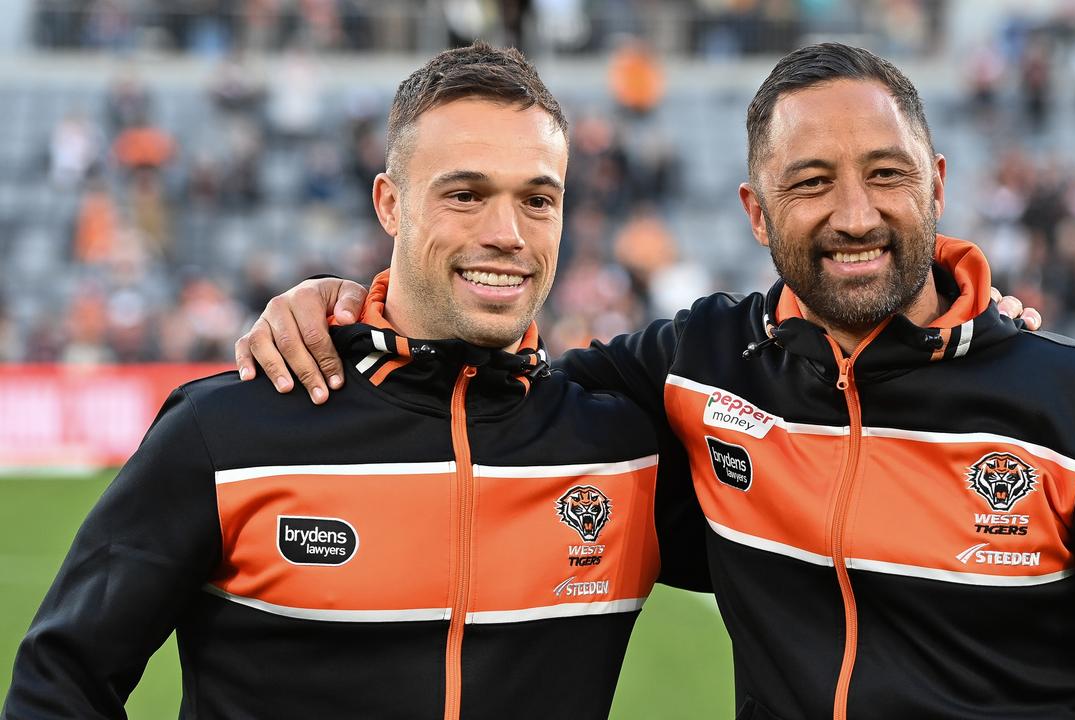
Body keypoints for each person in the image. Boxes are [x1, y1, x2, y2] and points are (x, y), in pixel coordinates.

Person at [243, 44, 1075, 718]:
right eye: (809, 183)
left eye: (885, 173)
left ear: (937, 183)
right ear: (754, 212)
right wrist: (343, 307)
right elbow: (486, 388)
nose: (854, 213)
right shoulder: (693, 369)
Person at [4, 44, 704, 719]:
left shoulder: (624, 449)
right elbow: (59, 682)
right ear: (390, 204)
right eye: (465, 194)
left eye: (538, 200)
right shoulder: (226, 433)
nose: (508, 233)